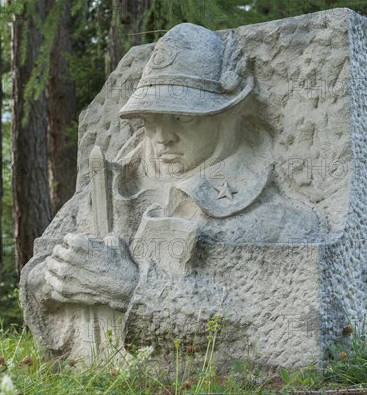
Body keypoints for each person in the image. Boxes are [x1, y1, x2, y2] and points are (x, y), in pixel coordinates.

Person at [21, 23, 320, 363]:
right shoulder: (110, 185)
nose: (162, 136)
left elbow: (269, 323)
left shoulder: (280, 217)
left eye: (181, 117)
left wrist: (132, 287)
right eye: (151, 118)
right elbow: (38, 267)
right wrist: (55, 278)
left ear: (226, 115)